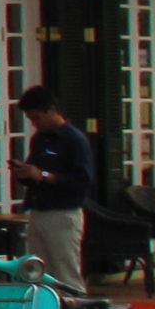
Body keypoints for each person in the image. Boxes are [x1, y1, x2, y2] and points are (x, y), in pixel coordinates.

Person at [8, 85, 95, 287]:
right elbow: (35, 174)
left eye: (37, 118)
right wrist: (24, 173)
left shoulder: (74, 140)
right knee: (37, 271)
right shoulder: (39, 139)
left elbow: (82, 180)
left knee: (65, 271)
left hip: (63, 213)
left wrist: (44, 176)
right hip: (38, 209)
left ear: (52, 110)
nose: (34, 123)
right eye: (30, 119)